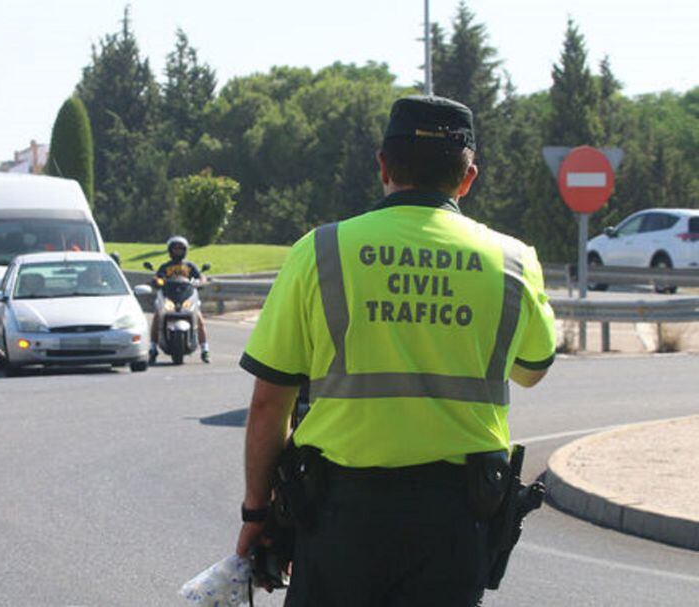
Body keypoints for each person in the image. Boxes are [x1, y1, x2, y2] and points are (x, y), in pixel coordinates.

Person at [234, 96, 557, 605]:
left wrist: (258, 513)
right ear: (469, 177)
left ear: (383, 165)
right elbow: (532, 370)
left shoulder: (319, 251)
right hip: (457, 522)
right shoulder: (514, 260)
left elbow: (268, 404)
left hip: (340, 518)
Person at [149, 236, 210, 364]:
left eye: (180, 249)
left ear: (185, 250)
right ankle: (152, 348)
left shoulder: (190, 266)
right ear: (170, 251)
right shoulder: (165, 267)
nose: (178, 251)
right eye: (175, 249)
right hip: (169, 298)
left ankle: (205, 349)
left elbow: (200, 277)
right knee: (157, 317)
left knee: (199, 318)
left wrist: (201, 281)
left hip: (186, 298)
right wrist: (157, 281)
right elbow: (158, 278)